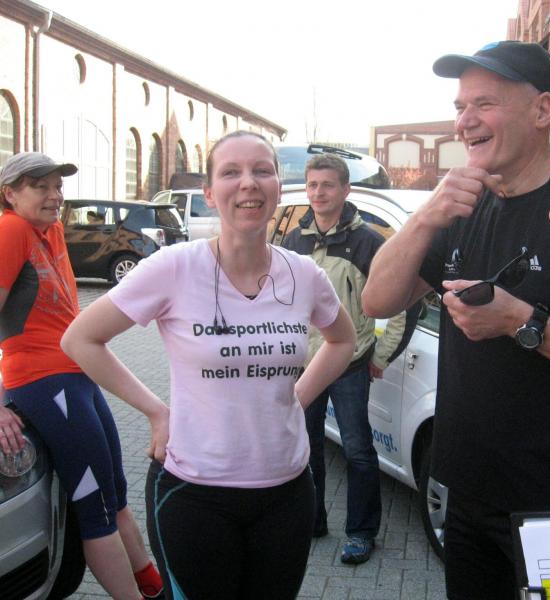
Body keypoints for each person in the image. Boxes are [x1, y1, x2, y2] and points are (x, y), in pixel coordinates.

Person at [362, 41, 550, 598]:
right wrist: (427, 215)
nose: (464, 121)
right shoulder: (460, 208)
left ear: (542, 110)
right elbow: (377, 300)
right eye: (460, 106)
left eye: (484, 104)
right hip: (464, 496)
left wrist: (522, 322)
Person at [61, 131, 357, 599]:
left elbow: (343, 340)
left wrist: (296, 400)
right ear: (209, 193)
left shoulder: (303, 274)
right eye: (231, 172)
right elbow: (80, 339)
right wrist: (156, 411)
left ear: (278, 187)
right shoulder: (175, 267)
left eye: (262, 170)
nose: (249, 183)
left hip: (286, 493)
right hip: (193, 492)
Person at [0, 152, 163, 600]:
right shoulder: (11, 228)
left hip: (78, 376)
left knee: (115, 494)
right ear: (10, 194)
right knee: (95, 510)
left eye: (58, 186)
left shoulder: (50, 229)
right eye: (40, 187)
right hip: (43, 382)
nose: (54, 196)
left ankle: (154, 586)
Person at [282, 153, 413, 564]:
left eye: (328, 185)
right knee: (306, 448)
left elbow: (402, 303)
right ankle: (312, 520)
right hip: (305, 367)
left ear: (345, 190)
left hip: (349, 365)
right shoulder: (294, 242)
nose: (318, 193)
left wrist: (383, 355)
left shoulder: (368, 242)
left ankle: (361, 532)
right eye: (312, 185)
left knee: (358, 451)